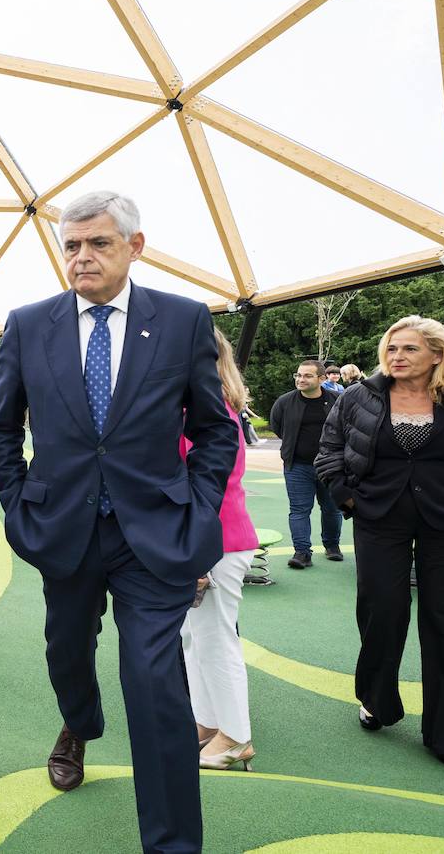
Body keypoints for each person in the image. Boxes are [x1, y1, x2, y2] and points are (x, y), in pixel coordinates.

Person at [0, 190, 238, 854]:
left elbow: (215, 430)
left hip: (154, 533)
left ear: (135, 246)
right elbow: (2, 428)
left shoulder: (182, 320)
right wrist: (18, 506)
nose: (81, 257)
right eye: (71, 245)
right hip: (62, 528)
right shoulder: (28, 323)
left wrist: (199, 503)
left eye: (97, 243)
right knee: (66, 653)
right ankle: (79, 723)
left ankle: (173, 844)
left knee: (155, 683)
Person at [317, 315, 444, 770]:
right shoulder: (360, 397)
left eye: (409, 349)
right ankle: (377, 700)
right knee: (382, 610)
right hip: (378, 518)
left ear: (438, 354)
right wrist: (345, 494)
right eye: (392, 349)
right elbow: (330, 451)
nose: (396, 357)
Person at [182, 328, 260, 771]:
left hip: (217, 538)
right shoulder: (201, 406)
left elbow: (206, 485)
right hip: (208, 537)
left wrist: (194, 553)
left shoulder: (208, 412)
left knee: (215, 637)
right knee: (196, 637)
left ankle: (235, 735)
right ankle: (209, 723)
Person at [268, 359, 343, 568]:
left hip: (330, 466)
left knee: (332, 508)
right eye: (298, 375)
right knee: (299, 509)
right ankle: (302, 552)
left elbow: (347, 427)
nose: (301, 379)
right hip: (297, 466)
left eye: (307, 376)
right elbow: (277, 426)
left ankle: (332, 546)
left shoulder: (338, 400)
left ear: (321, 378)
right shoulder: (284, 402)